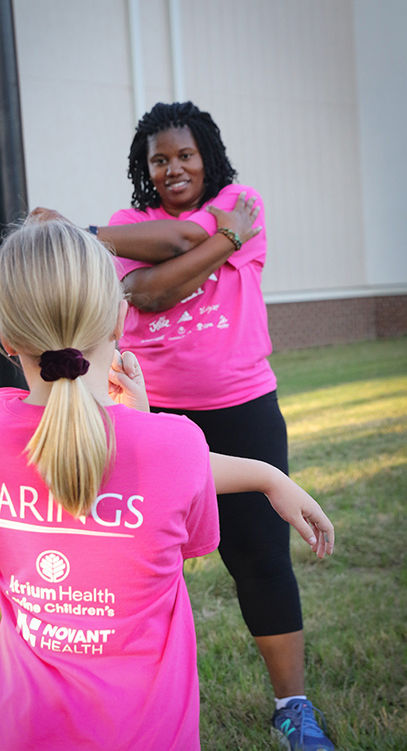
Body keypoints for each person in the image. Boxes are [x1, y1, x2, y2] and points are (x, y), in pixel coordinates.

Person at [0, 218, 334, 750]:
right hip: (144, 732)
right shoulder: (174, 444)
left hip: (23, 729)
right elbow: (178, 495)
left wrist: (140, 424)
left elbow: (83, 441)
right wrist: (268, 475)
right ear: (121, 319)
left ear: (3, 336)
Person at [86, 100, 335, 750]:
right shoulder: (127, 223)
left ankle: (291, 706)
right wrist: (222, 238)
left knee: (258, 556)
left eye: (184, 155)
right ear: (145, 170)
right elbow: (149, 293)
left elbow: (177, 248)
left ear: (207, 155)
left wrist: (202, 238)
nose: (172, 168)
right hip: (153, 413)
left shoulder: (241, 197)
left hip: (243, 407)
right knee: (142, 562)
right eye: (158, 160)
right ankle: (135, 704)